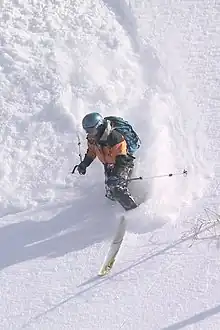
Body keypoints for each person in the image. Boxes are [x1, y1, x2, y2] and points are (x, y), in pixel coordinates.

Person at [77, 112, 139, 211]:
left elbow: (122, 159)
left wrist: (116, 175)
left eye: (91, 130)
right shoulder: (93, 138)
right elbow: (92, 151)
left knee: (117, 188)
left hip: (123, 163)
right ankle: (115, 210)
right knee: (111, 194)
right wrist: (84, 164)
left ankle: (133, 210)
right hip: (109, 164)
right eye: (87, 131)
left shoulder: (114, 137)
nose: (89, 134)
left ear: (99, 126)